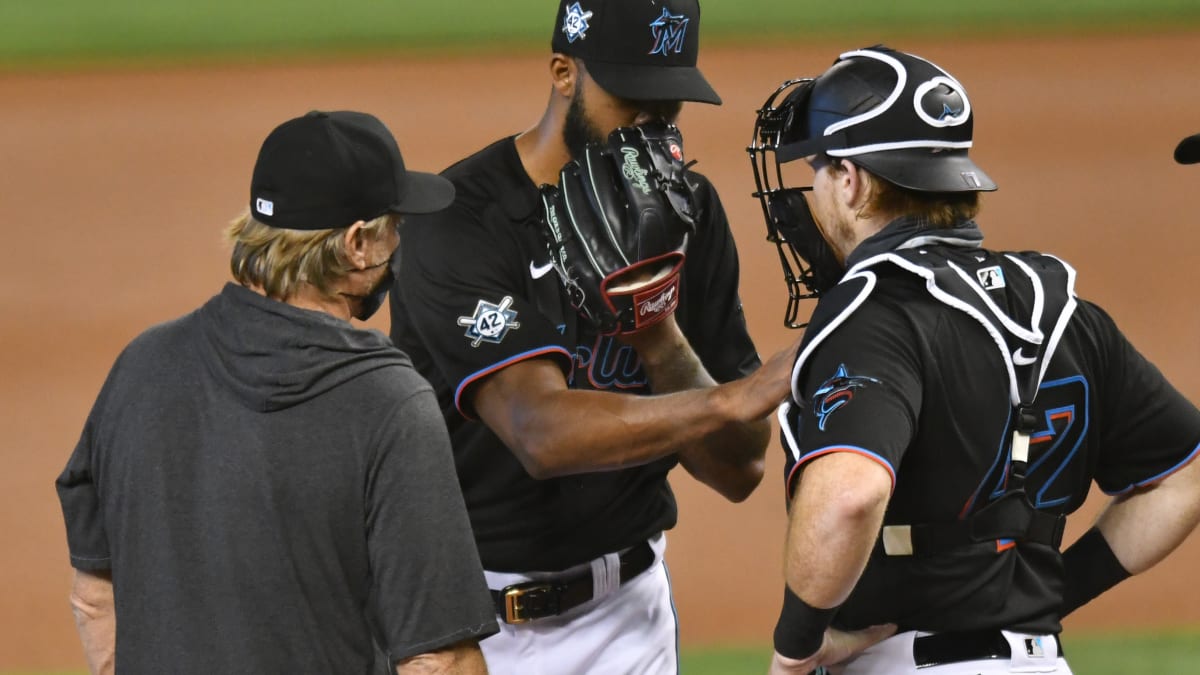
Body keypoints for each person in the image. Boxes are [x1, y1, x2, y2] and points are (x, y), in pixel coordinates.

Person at [746, 45, 1200, 674]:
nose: (812, 190)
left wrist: (795, 647)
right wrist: (1049, 597)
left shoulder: (873, 313)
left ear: (850, 180)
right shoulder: (1062, 308)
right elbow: (1184, 475)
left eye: (819, 168)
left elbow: (850, 495)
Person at [388, 0, 794, 672]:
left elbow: (738, 467)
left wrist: (659, 336)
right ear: (563, 72)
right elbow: (539, 433)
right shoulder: (458, 221)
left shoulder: (688, 215)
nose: (647, 127)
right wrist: (727, 399)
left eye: (666, 111)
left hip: (628, 622)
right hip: (474, 632)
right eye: (630, 100)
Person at [55, 110, 498, 675]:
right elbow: (440, 659)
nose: (399, 240)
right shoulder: (387, 402)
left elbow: (94, 596)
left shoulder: (141, 365)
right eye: (393, 225)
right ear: (357, 245)